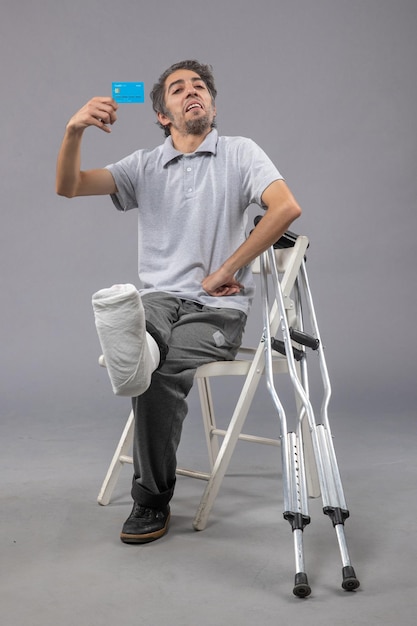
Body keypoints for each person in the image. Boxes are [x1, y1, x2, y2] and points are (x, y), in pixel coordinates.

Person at [56, 60, 302, 544]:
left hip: (217, 310)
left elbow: (286, 208)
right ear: (162, 115)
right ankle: (136, 344)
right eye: (178, 89)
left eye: (200, 87)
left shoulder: (240, 153)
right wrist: (73, 129)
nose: (193, 92)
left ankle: (150, 501)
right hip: (156, 301)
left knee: (156, 370)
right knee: (141, 322)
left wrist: (228, 270)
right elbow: (69, 186)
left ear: (211, 103)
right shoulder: (144, 165)